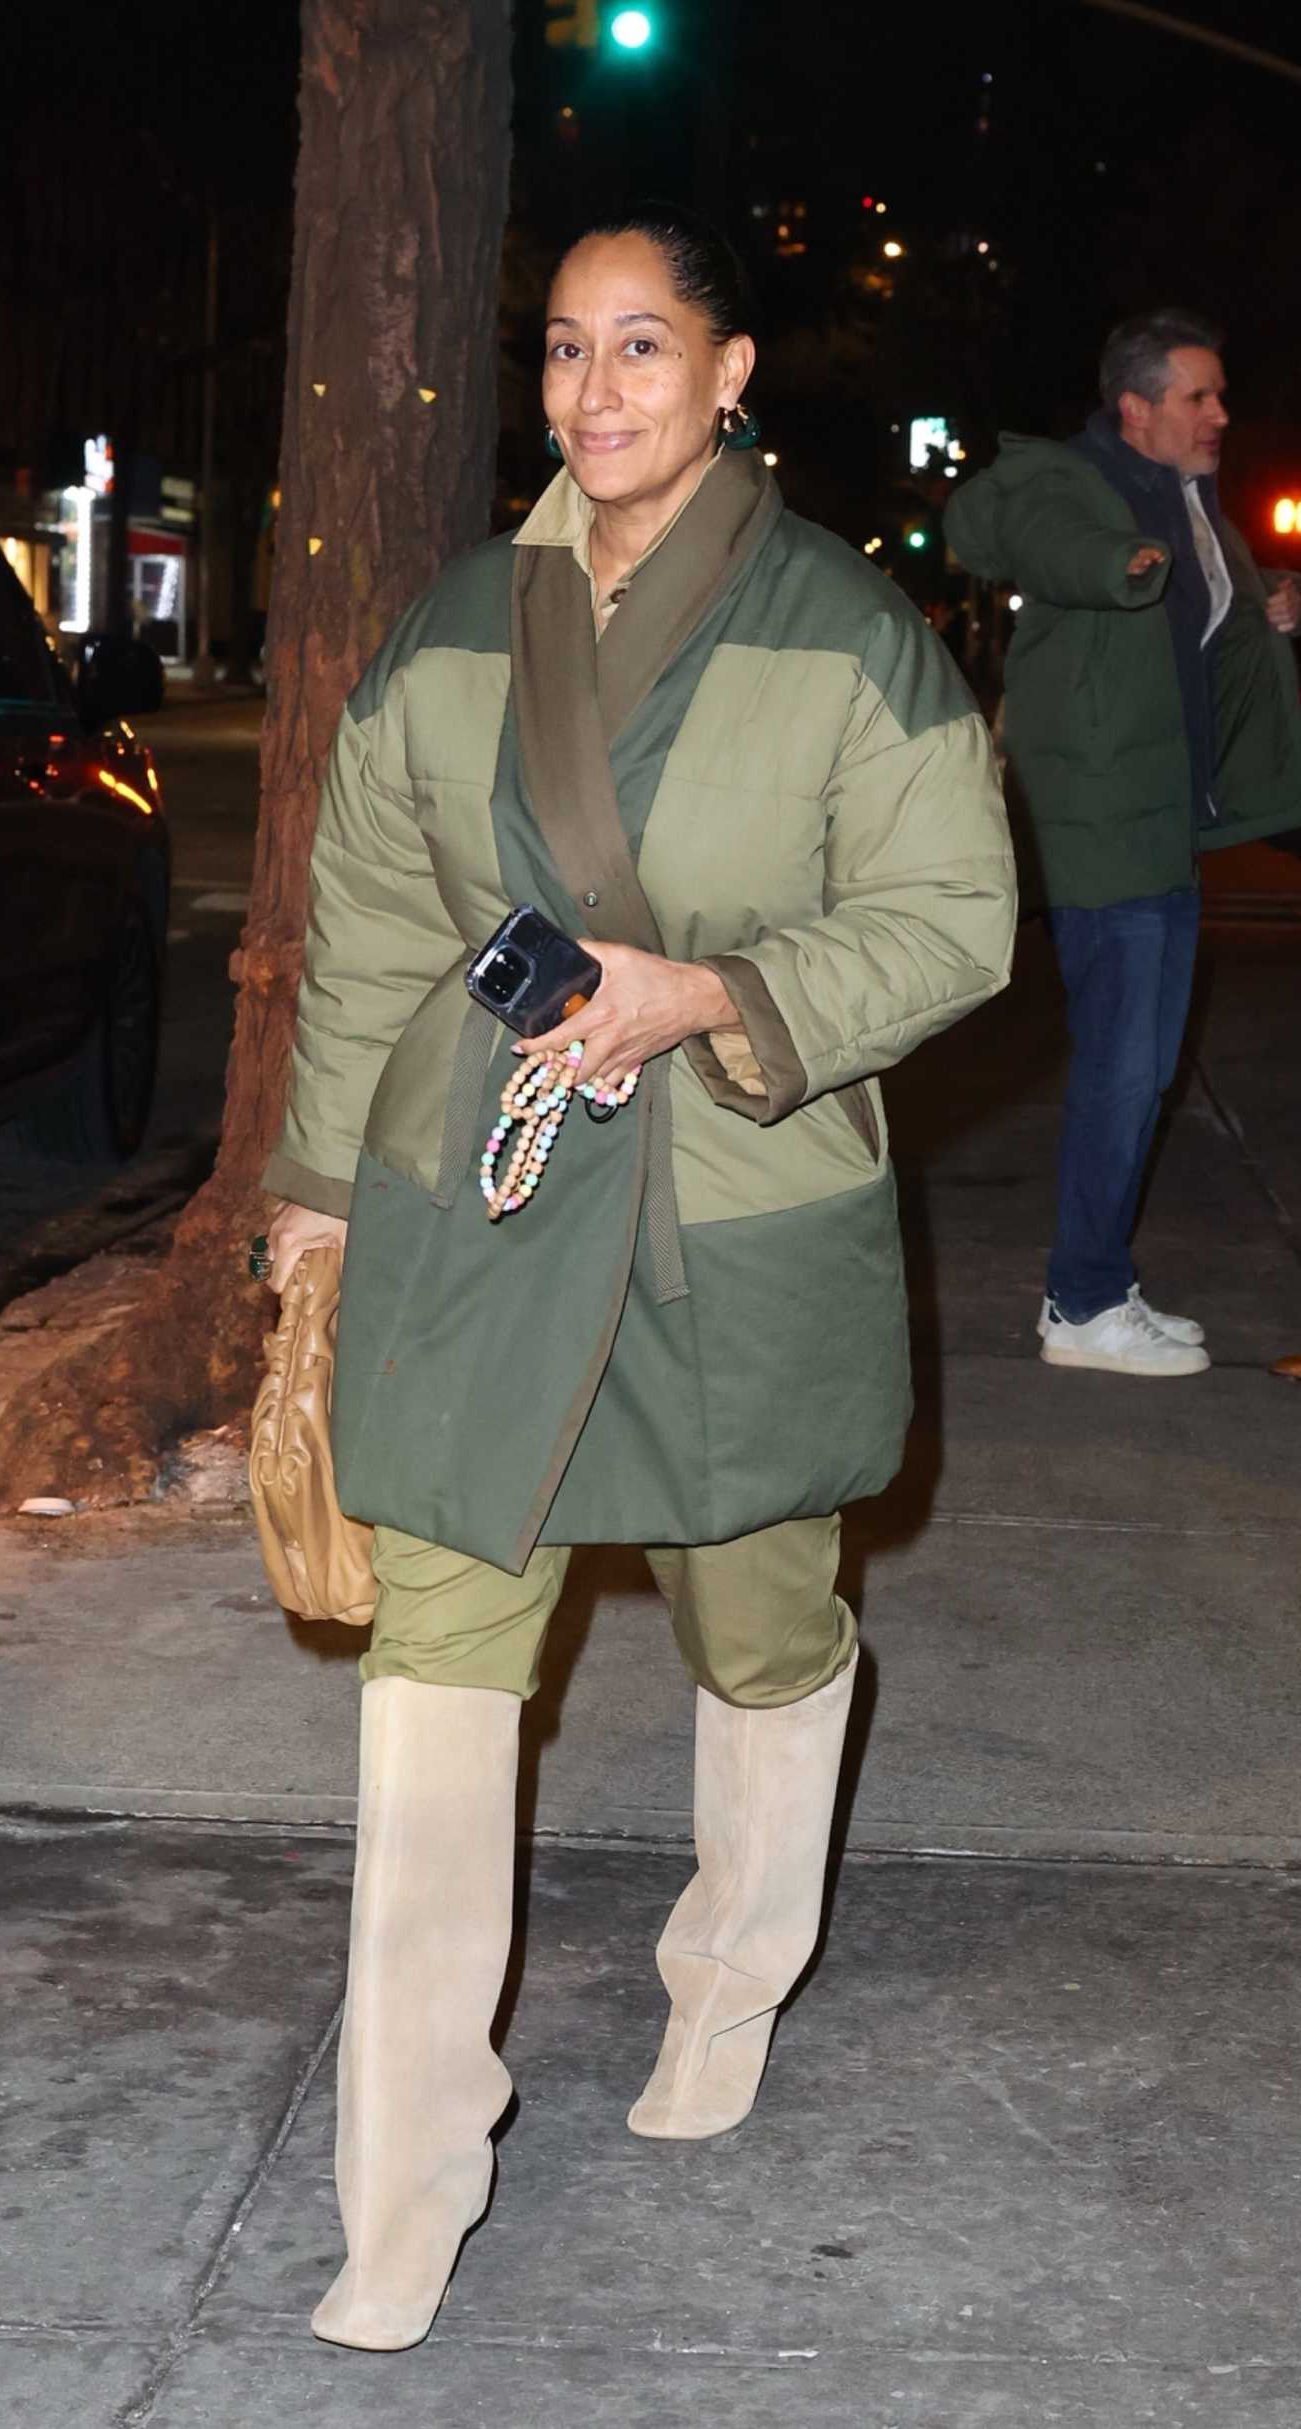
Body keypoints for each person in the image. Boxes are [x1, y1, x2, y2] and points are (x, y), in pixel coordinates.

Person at [259, 204, 1015, 2354]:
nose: (598, 393)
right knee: (433, 1666)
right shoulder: (448, 633)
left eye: (644, 347)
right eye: (570, 353)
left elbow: (958, 913)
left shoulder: (850, 635)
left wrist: (720, 989)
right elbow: (377, 923)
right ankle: (401, 2184)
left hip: (734, 1206)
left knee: (763, 1621)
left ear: (731, 369)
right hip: (475, 1214)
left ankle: (728, 1979)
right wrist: (317, 1190)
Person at [947, 310, 1301, 1377]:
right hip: (1105, 825)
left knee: (1139, 1071)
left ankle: (1097, 1276)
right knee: (1120, 1066)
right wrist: (1114, 557)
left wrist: (1263, 611)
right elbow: (1011, 528)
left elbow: (1200, 633)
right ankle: (1082, 1301)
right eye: (1198, 396)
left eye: (1220, 394)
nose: (1219, 414)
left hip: (1163, 822)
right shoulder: (1075, 483)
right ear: (1134, 407)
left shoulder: (1188, 506)